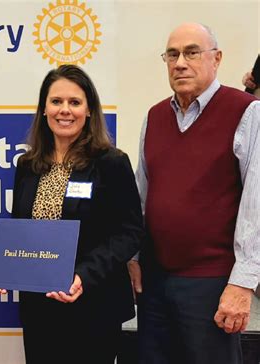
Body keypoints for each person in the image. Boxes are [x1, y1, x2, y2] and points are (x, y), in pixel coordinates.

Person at [0, 64, 144, 363]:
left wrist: (83, 275)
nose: (64, 110)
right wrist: (4, 266)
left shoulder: (111, 163)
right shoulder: (27, 165)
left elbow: (129, 232)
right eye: (56, 101)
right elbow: (22, 228)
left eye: (75, 102)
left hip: (94, 302)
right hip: (39, 307)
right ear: (44, 109)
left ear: (89, 110)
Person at [128, 23, 260, 364]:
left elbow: (256, 204)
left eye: (191, 52)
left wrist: (243, 284)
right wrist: (134, 257)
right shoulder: (155, 117)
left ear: (216, 58)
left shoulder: (246, 111)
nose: (180, 63)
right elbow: (142, 196)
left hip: (213, 284)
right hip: (155, 283)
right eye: (172, 54)